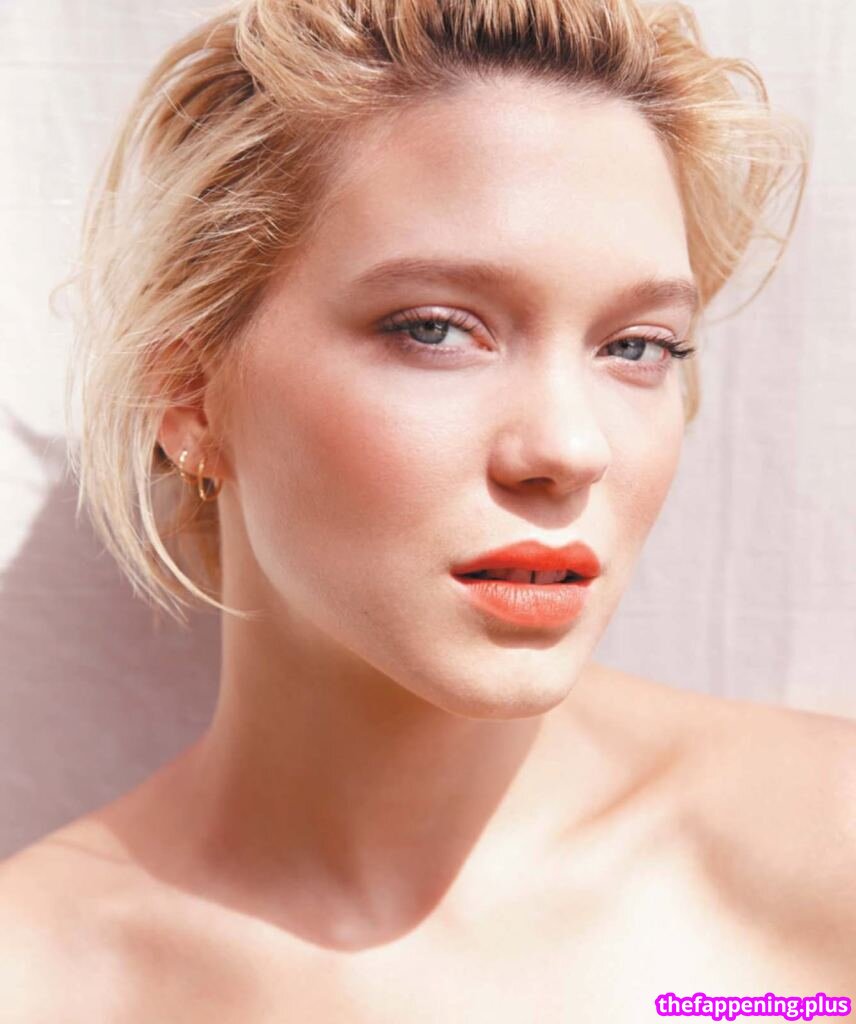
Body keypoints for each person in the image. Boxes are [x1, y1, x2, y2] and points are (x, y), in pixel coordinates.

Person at [1, 0, 854, 1019]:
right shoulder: (37, 978)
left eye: (636, 346)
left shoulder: (825, 845)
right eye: (437, 330)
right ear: (188, 396)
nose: (569, 450)